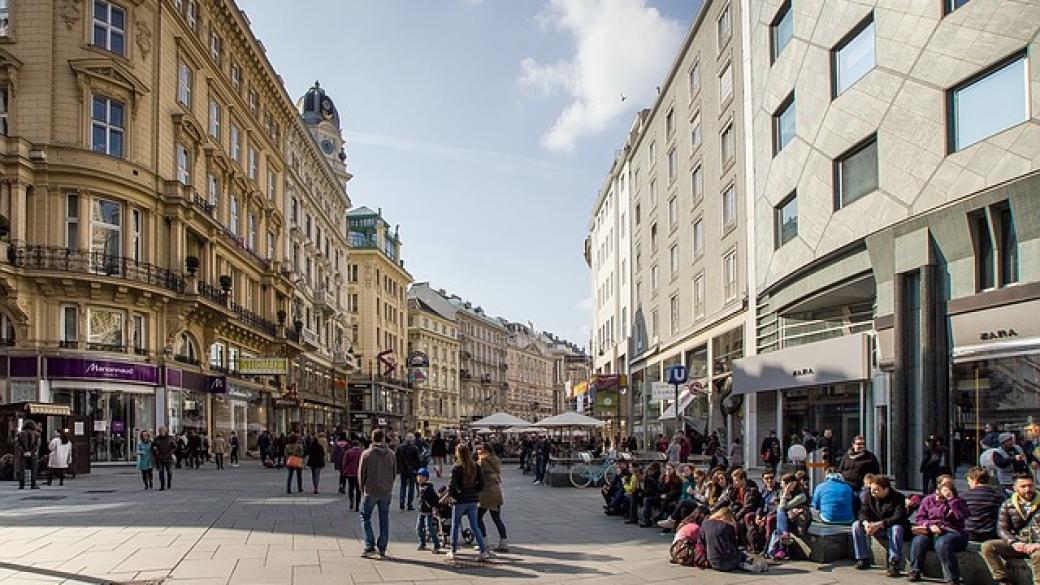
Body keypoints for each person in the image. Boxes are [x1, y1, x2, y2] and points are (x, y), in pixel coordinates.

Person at [982, 473, 1040, 585]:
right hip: (1019, 543)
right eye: (1023, 487)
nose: (1028, 489)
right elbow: (1001, 528)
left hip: (1037, 546)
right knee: (987, 546)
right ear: (1015, 488)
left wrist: (1037, 544)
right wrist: (1013, 542)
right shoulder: (1008, 504)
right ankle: (1003, 580)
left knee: (1038, 556)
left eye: (1030, 486)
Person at [908, 480, 968, 583]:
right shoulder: (928, 500)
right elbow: (920, 518)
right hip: (931, 531)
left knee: (942, 544)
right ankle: (915, 570)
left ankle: (952, 577)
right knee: (918, 541)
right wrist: (930, 525)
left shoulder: (958, 501)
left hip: (953, 532)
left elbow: (962, 517)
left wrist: (951, 500)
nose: (938, 497)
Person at [852, 475, 907, 576]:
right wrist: (865, 523)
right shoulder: (869, 496)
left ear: (886, 489)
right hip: (873, 526)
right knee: (856, 525)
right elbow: (863, 512)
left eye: (876, 490)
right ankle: (862, 558)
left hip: (888, 526)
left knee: (897, 529)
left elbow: (898, 517)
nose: (873, 492)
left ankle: (894, 563)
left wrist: (881, 524)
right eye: (872, 489)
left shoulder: (898, 498)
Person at [446, 442, 489, 562]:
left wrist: (454, 496)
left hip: (460, 500)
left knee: (455, 525)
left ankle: (453, 550)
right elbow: (481, 484)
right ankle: (483, 551)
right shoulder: (475, 466)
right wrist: (474, 491)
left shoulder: (457, 467)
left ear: (458, 453)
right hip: (473, 500)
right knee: (475, 525)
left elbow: (452, 486)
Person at [359, 428, 396, 558]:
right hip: (386, 491)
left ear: (372, 438)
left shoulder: (367, 454)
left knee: (365, 516)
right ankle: (382, 547)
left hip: (371, 490)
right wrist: (390, 486)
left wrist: (362, 488)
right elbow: (394, 472)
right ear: (383, 438)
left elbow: (361, 473)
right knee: (384, 518)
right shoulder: (391, 454)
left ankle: (369, 545)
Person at [699, 507, 768, 573]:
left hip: (711, 562)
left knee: (739, 554)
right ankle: (746, 564)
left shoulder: (705, 523)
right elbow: (733, 548)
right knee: (739, 554)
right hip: (726, 564)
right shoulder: (728, 527)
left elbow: (701, 543)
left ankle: (746, 562)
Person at [766, 473, 810, 560]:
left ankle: (781, 549)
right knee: (777, 519)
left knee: (780, 513)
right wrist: (785, 493)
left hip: (798, 520)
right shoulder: (783, 492)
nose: (783, 487)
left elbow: (782, 507)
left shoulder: (801, 495)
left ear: (792, 484)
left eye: (784, 484)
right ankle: (782, 548)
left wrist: (785, 493)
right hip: (787, 518)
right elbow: (777, 505)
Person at [476, 442, 509, 552]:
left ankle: (484, 541)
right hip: (496, 492)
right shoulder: (496, 459)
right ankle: (504, 542)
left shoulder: (482, 462)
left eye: (480, 449)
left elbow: (477, 476)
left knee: (477, 518)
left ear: (485, 450)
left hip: (485, 493)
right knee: (497, 519)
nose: (479, 451)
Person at [963, 466, 1006, 542]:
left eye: (969, 481)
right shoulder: (998, 496)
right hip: (989, 534)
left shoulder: (964, 496)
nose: (968, 483)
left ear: (975, 480)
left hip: (968, 533)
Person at [415, 467, 441, 552]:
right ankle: (422, 543)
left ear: (426, 478)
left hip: (428, 511)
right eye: (418, 476)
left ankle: (436, 545)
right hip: (421, 511)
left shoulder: (429, 488)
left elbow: (435, 498)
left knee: (429, 528)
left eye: (421, 477)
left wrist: (434, 508)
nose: (419, 478)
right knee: (419, 528)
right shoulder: (420, 486)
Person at [396, 433, 421, 510]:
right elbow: (418, 460)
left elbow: (397, 459)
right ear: (412, 440)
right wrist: (417, 468)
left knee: (403, 486)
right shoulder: (415, 448)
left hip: (403, 470)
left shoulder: (400, 448)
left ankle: (401, 502)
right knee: (411, 487)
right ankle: (409, 504)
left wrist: (398, 469)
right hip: (412, 470)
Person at [15, 420, 41, 490]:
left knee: (22, 469)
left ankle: (21, 485)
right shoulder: (37, 434)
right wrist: (31, 452)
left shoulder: (19, 434)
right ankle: (33, 484)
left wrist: (24, 451)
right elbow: (37, 445)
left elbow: (18, 444)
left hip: (22, 454)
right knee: (33, 469)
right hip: (33, 454)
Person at [343, 440, 363, 510]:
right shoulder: (362, 452)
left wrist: (344, 470)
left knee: (351, 488)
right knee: (358, 490)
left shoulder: (348, 452)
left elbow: (345, 463)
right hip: (359, 474)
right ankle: (357, 505)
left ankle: (351, 502)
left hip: (350, 473)